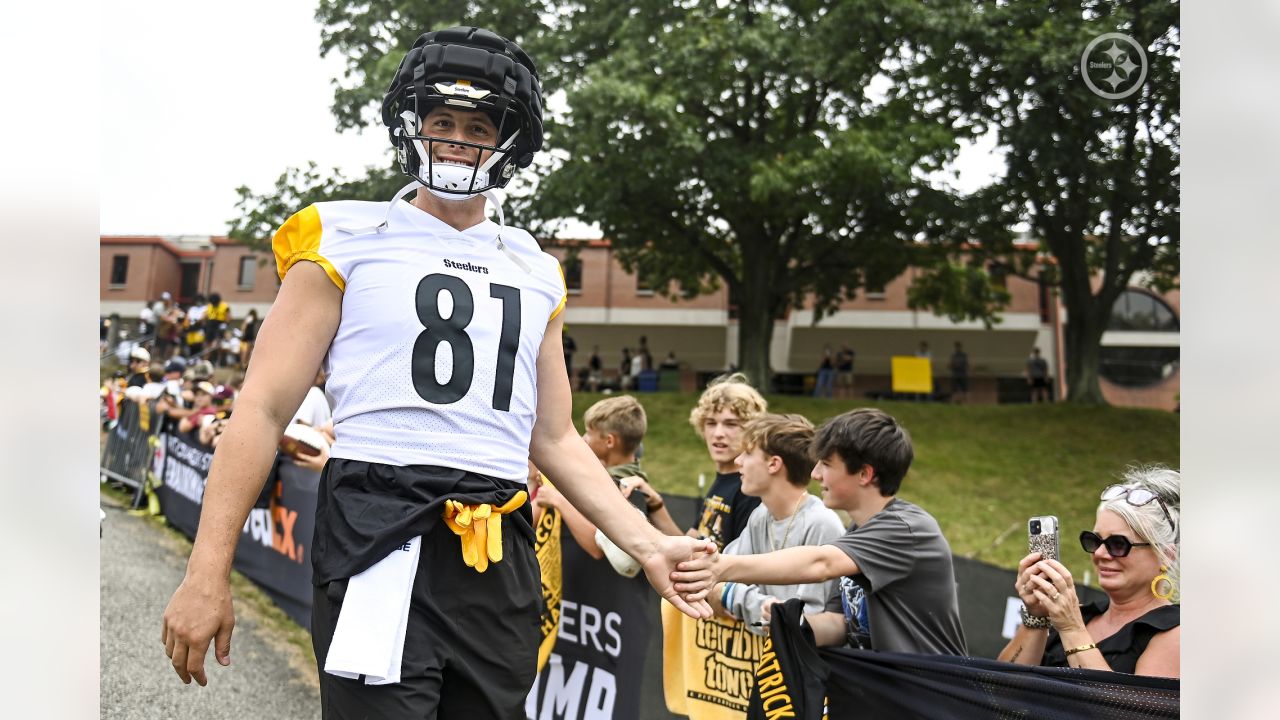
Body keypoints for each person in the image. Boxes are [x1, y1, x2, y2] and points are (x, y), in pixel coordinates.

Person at [159, 27, 712, 720]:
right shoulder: (343, 234)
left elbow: (557, 437)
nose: (456, 138)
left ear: (511, 142)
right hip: (378, 528)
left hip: (498, 545)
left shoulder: (535, 268)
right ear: (411, 126)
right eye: (441, 120)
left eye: (478, 124)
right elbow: (264, 410)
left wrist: (649, 544)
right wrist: (206, 570)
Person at [673, 407, 968, 656]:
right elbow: (839, 626)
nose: (815, 474)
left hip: (926, 696)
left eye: (826, 464)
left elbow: (820, 563)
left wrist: (722, 567)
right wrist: (784, 620)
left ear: (865, 474)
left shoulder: (906, 528)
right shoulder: (858, 533)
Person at [528, 395, 668, 719]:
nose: (582, 439)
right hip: (573, 620)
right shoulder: (591, 482)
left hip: (608, 627)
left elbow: (600, 545)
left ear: (608, 441)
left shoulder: (627, 488)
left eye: (589, 433)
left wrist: (561, 501)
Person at [998, 466, 1180, 677]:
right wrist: (1037, 618)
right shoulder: (1080, 616)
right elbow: (1000, 693)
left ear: (1166, 554)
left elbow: (1126, 709)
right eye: (1094, 541)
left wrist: (1072, 629)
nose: (1101, 553)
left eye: (1118, 544)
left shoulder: (1174, 633)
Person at [709, 414, 845, 634]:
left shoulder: (822, 524)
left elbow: (805, 619)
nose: (738, 460)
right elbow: (722, 575)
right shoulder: (760, 515)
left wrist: (732, 598)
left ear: (773, 464)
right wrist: (732, 595)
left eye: (748, 453)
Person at [684, 373, 768, 548]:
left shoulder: (751, 490)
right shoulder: (723, 480)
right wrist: (656, 506)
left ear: (752, 429)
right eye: (711, 423)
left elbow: (744, 568)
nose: (718, 433)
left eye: (731, 424)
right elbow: (690, 542)